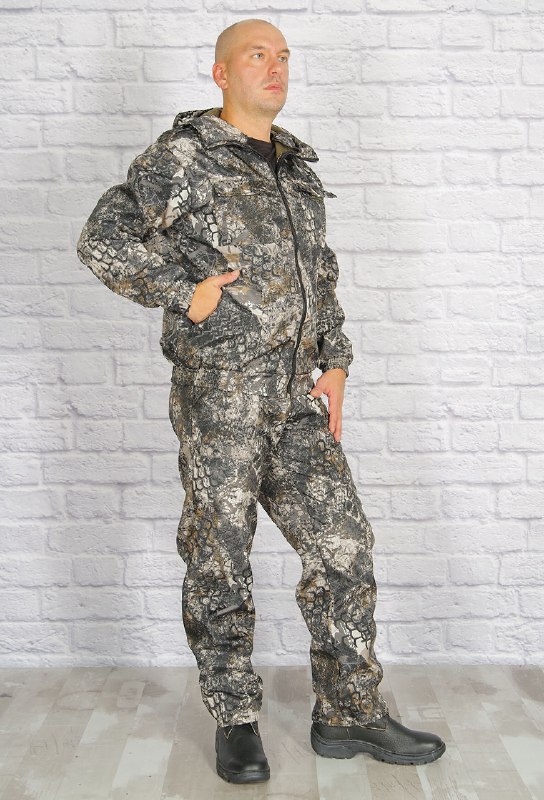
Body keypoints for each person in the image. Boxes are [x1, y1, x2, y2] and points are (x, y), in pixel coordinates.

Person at [76, 17, 446, 785]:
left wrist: (336, 360)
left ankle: (348, 711)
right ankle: (235, 719)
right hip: (222, 398)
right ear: (221, 73)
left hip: (297, 400)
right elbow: (102, 237)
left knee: (344, 546)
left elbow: (320, 272)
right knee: (220, 558)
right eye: (256, 55)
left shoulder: (295, 167)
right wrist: (184, 292)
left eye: (282, 57)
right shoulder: (183, 156)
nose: (274, 67)